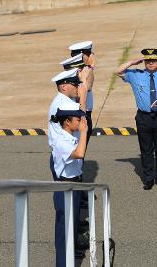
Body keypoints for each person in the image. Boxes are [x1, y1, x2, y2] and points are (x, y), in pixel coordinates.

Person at [115, 48, 157, 190]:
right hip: (143, 117)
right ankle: (149, 178)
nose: (150, 63)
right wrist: (132, 62)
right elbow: (118, 71)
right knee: (146, 149)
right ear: (144, 61)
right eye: (148, 60)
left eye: (153, 60)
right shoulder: (135, 75)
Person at [50, 103, 89, 267]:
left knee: (71, 231)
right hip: (65, 188)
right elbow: (79, 153)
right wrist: (84, 132)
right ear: (67, 122)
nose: (81, 122)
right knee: (65, 233)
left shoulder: (71, 136)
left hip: (74, 186)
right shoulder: (61, 141)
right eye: (77, 119)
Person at [48, 68, 89, 180]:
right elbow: (82, 119)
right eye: (75, 84)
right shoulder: (62, 105)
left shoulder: (67, 101)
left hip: (70, 153)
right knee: (65, 194)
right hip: (65, 155)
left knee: (74, 194)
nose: (77, 87)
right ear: (64, 87)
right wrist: (83, 99)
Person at [68, 41, 95, 144]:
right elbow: (87, 87)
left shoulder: (83, 69)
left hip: (83, 113)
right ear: (83, 56)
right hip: (79, 114)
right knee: (78, 149)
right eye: (89, 54)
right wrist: (90, 67)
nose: (92, 56)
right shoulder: (79, 71)